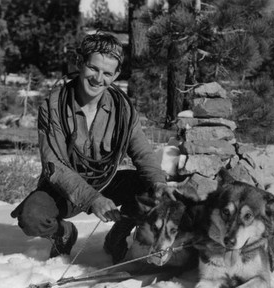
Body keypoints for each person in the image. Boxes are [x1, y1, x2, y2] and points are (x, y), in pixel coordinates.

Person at [11, 33, 174, 263]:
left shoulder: (124, 110)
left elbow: (142, 152)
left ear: (116, 74)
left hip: (106, 182)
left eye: (107, 73)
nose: (98, 79)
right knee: (32, 217)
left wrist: (159, 183)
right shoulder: (53, 106)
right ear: (79, 63)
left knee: (149, 191)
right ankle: (64, 234)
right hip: (62, 189)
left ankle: (117, 237)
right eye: (93, 68)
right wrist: (92, 199)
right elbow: (54, 166)